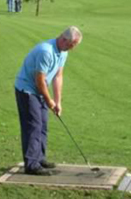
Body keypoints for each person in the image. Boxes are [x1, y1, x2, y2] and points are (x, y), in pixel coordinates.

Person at [14, 26, 83, 176]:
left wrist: (57, 102)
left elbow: (58, 77)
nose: (73, 49)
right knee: (33, 125)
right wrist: (49, 100)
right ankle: (31, 165)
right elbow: (39, 81)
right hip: (27, 90)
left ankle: (40, 159)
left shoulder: (63, 52)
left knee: (43, 124)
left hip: (40, 89)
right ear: (64, 40)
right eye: (72, 45)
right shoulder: (46, 51)